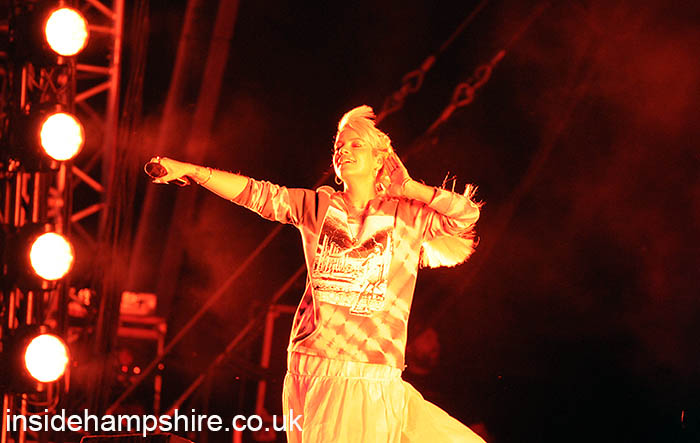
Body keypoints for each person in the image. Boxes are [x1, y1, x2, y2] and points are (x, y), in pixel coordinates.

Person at [148, 105, 486, 442]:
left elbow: (465, 215)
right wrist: (192, 171)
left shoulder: (408, 216)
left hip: (372, 370)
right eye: (339, 147)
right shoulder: (320, 207)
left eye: (356, 145)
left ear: (379, 160)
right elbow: (257, 194)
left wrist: (409, 188)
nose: (344, 151)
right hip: (312, 363)